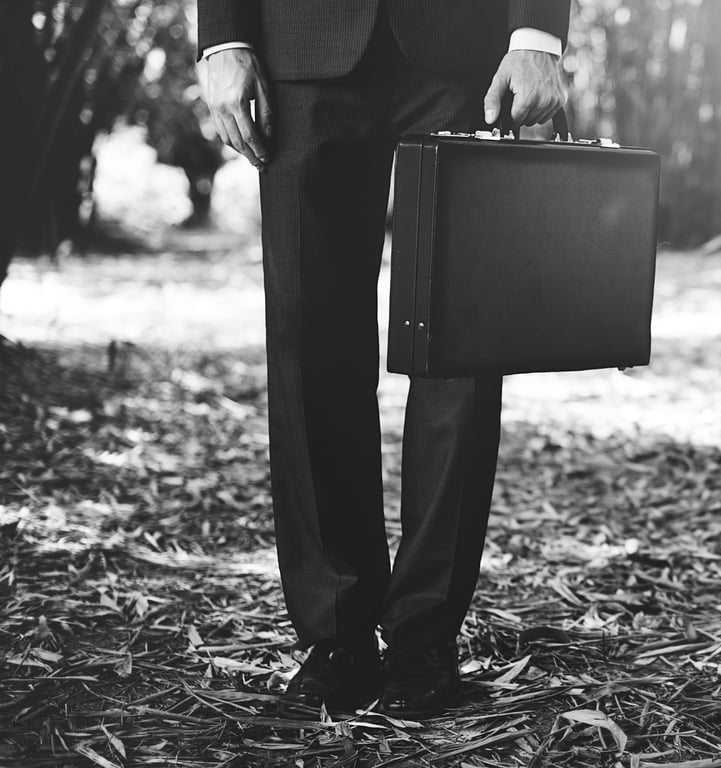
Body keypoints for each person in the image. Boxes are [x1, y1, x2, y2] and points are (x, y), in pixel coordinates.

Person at [196, 0, 570, 720]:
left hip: (470, 48)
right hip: (298, 50)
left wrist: (539, 36)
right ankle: (336, 633)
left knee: (460, 347)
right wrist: (222, 38)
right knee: (310, 342)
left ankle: (424, 638)